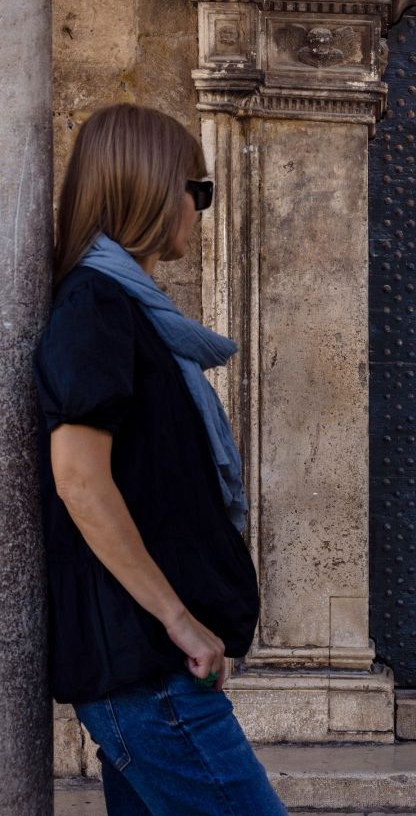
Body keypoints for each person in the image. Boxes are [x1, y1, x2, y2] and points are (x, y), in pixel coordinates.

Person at [35, 103, 287, 815]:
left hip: (154, 673)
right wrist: (178, 617)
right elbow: (79, 479)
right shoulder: (97, 306)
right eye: (197, 189)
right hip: (147, 671)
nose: (200, 208)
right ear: (149, 186)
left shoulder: (129, 311)